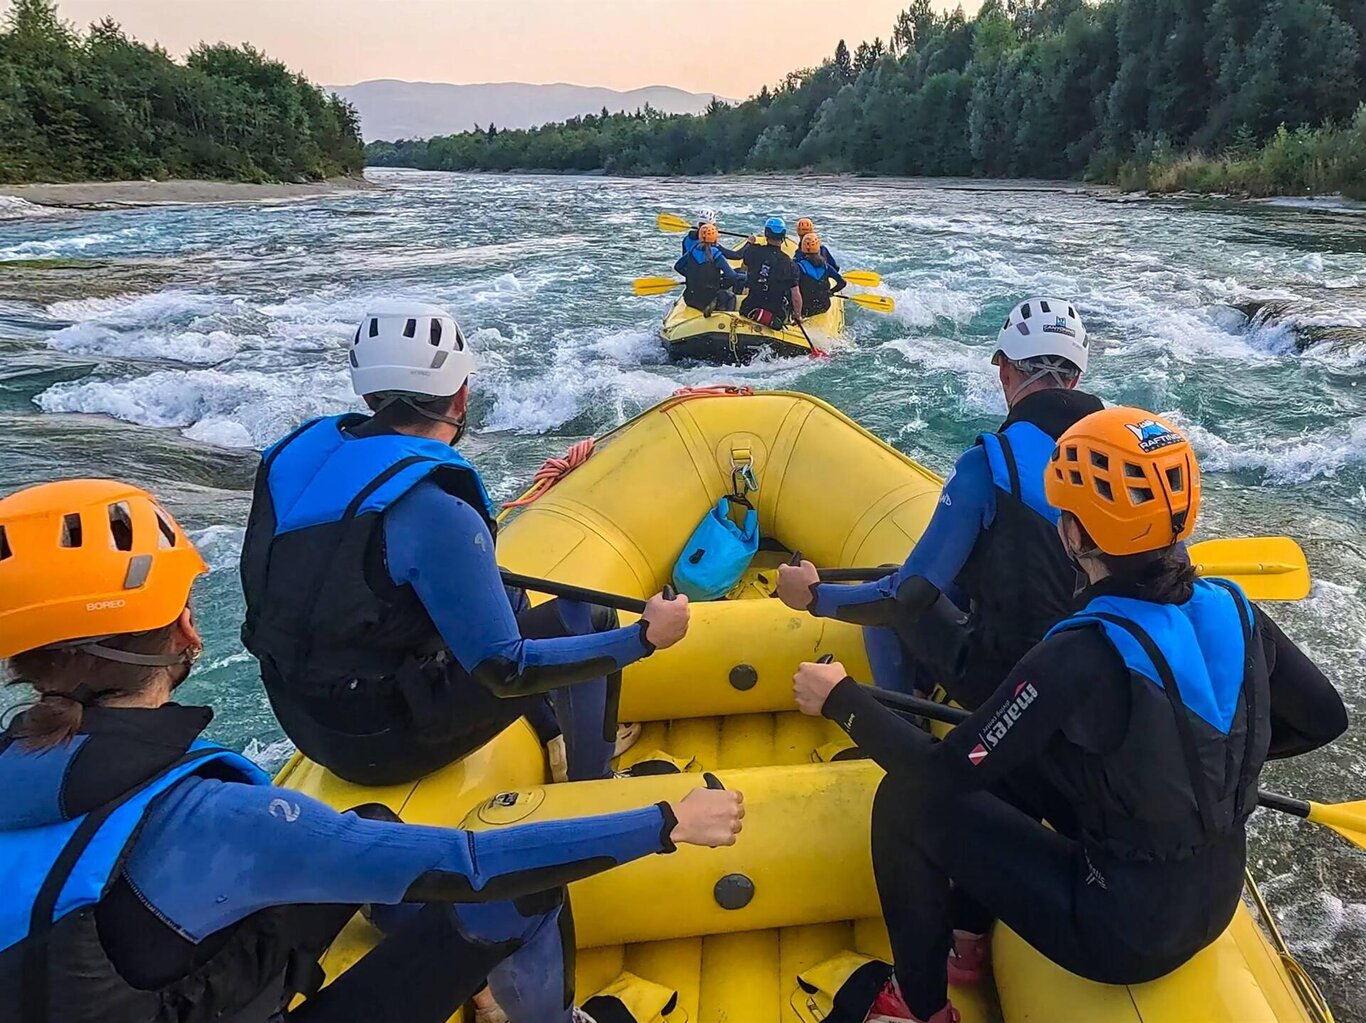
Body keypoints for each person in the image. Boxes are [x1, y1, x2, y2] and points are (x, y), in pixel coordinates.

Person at [0, 478, 746, 1023]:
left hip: (144, 985)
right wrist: (666, 820)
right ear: (187, 632)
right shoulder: (223, 817)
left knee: (376, 825)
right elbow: (476, 864)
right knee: (521, 892)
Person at [791, 407, 1347, 1023]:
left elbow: (941, 775)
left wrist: (843, 701)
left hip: (1117, 934)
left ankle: (915, 1006)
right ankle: (969, 939)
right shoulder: (1236, 610)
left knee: (904, 803)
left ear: (1076, 537)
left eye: (1063, 514)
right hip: (1214, 901)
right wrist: (1194, 767)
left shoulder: (1080, 651)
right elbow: (1325, 719)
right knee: (1021, 764)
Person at [239, 302, 691, 787]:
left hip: (303, 716)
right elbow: (507, 671)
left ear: (368, 392)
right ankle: (592, 779)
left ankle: (552, 730)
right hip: (384, 742)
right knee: (585, 617)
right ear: (459, 395)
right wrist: (645, 638)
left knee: (507, 596)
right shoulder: (435, 510)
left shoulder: (290, 458)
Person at [778, 298, 1100, 710]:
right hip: (1096, 672)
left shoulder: (987, 465)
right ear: (1075, 380)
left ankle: (905, 718)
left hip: (1013, 685)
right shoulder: (1123, 455)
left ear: (1005, 370)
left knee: (891, 591)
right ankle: (923, 684)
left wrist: (814, 596)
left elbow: (905, 595)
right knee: (964, 581)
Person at [738, 216, 802, 329]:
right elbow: (796, 296)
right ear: (783, 236)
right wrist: (797, 316)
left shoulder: (753, 251)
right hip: (775, 315)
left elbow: (744, 268)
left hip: (749, 308)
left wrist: (750, 243)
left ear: (766, 234)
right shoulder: (789, 264)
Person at [674, 222, 746, 313]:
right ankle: (722, 316)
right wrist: (746, 277)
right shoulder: (716, 254)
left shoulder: (692, 250)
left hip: (690, 299)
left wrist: (692, 276)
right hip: (707, 299)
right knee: (730, 296)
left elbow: (678, 267)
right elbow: (732, 276)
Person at [793, 232, 846, 317]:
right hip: (824, 306)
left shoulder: (798, 267)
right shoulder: (826, 266)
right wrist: (831, 292)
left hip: (805, 309)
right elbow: (842, 283)